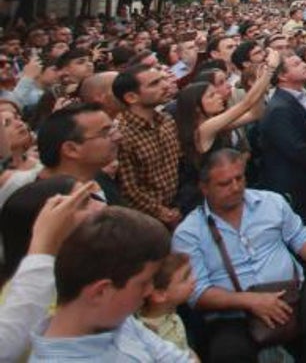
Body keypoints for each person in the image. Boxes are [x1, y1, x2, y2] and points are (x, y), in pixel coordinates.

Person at [171, 149, 306, 363]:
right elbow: (197, 294)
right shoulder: (189, 233)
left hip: (290, 295)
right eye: (225, 183)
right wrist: (250, 302)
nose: (236, 187)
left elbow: (300, 237)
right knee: (227, 352)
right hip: (235, 314)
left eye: (239, 178)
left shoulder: (271, 203)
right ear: (204, 188)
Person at [28, 206, 190, 362]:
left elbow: (174, 357)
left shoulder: (115, 317)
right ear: (101, 291)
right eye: (143, 283)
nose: (149, 290)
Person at [0, 180, 94, 363]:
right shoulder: (17, 297)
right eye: (83, 205)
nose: (98, 209)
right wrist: (44, 243)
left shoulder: (83, 273)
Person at [173, 65, 271, 215]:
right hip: (206, 197)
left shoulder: (214, 126)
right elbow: (246, 104)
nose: (219, 96)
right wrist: (269, 70)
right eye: (211, 96)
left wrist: (260, 82)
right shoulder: (204, 129)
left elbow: (254, 114)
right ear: (197, 107)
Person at [258, 55, 306, 229]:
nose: (304, 65)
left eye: (302, 61)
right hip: (290, 183)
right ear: (282, 76)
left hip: (304, 179)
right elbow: (295, 148)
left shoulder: (302, 96)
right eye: (296, 64)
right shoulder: (279, 108)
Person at [114, 64, 182, 229]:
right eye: (154, 84)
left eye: (162, 80)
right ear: (131, 97)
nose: (165, 86)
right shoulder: (121, 135)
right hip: (145, 222)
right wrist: (161, 212)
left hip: (176, 206)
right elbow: (128, 189)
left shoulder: (166, 120)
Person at [36, 103, 122, 205]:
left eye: (113, 130)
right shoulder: (49, 204)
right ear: (71, 149)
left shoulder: (97, 176)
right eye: (105, 133)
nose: (118, 136)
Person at [134, 253, 196, 356]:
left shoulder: (172, 315)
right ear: (159, 295)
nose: (193, 279)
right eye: (185, 278)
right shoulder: (148, 333)